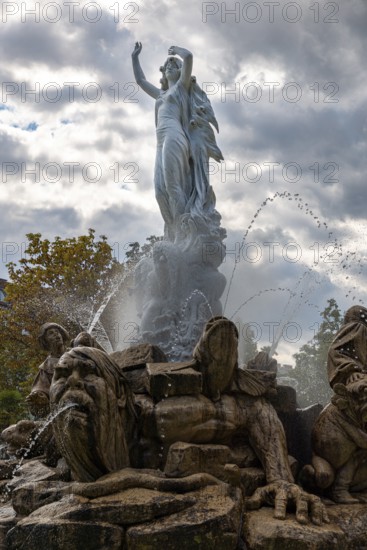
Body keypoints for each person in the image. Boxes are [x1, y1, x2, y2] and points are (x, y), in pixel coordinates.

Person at [131, 42, 223, 241]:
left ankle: (184, 234)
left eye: (174, 64)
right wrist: (135, 57)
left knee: (173, 186)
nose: (170, 65)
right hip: (160, 140)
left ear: (181, 72)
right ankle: (172, 233)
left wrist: (176, 52)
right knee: (159, 191)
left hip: (175, 135)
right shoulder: (160, 94)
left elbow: (188, 57)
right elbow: (140, 80)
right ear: (163, 74)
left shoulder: (181, 88)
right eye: (167, 64)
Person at [26, 323, 69, 418]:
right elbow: (40, 388)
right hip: (64, 407)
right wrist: (38, 396)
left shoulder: (76, 353)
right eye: (51, 333)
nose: (56, 335)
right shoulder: (46, 367)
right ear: (45, 341)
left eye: (57, 332)